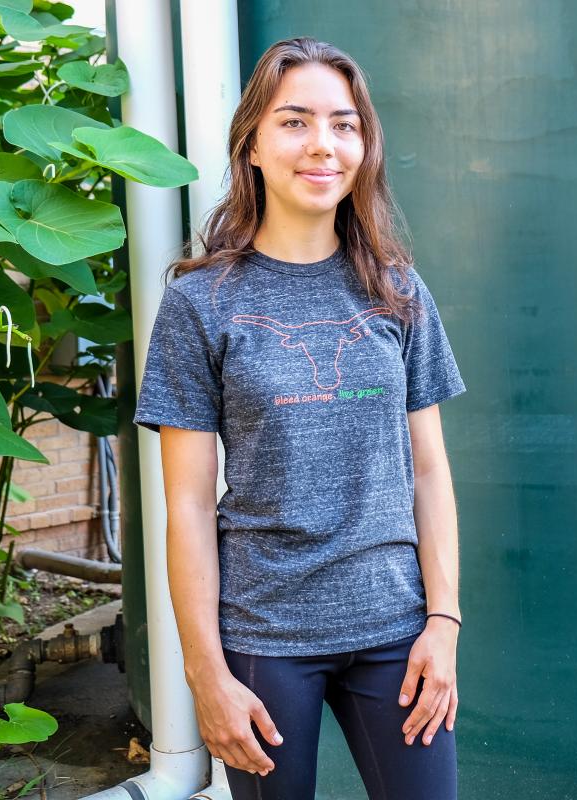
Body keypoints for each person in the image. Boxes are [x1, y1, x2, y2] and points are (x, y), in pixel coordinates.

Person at [133, 36, 465, 800]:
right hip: (265, 639)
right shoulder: (199, 302)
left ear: (364, 146)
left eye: (344, 124)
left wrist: (443, 622)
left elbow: (429, 468)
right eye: (295, 122)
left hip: (399, 632)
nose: (323, 145)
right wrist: (204, 673)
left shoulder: (398, 289)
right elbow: (185, 502)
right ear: (250, 144)